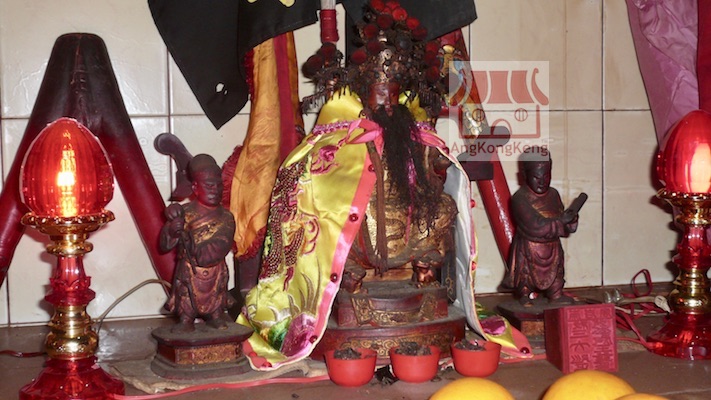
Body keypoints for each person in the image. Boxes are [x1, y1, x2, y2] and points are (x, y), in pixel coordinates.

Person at [161, 154, 236, 333]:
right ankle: (186, 319)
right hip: (188, 269)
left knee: (217, 292)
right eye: (209, 186)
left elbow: (223, 241)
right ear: (195, 187)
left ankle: (216, 316)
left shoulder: (226, 217)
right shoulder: (185, 213)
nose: (215, 190)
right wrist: (172, 229)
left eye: (219, 185)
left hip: (215, 268)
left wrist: (200, 249)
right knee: (186, 293)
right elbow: (165, 245)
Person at [503, 149, 580, 306]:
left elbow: (563, 222)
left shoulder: (554, 195)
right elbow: (534, 224)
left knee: (557, 273)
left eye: (546, 176)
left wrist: (570, 220)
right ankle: (525, 295)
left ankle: (556, 294)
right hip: (529, 247)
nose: (542, 182)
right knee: (525, 274)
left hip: (553, 246)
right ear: (524, 176)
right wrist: (560, 221)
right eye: (536, 177)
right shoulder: (520, 198)